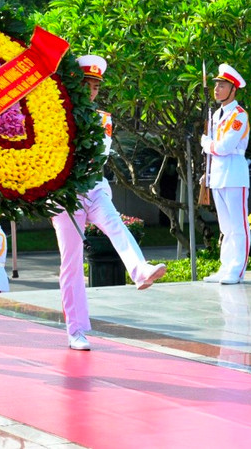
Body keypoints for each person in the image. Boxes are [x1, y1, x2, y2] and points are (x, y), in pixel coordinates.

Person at [51, 55, 166, 351]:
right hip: (66, 193)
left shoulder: (103, 118)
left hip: (94, 186)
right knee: (71, 263)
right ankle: (75, 329)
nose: (91, 91)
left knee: (115, 224)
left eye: (95, 87)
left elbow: (95, 154)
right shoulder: (56, 113)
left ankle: (139, 270)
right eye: (86, 85)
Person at [201, 63, 250, 285]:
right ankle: (226, 266)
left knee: (239, 225)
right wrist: (207, 173)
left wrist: (207, 143)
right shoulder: (215, 115)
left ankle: (237, 269)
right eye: (217, 85)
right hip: (218, 175)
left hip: (235, 174)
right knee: (225, 227)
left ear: (233, 89)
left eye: (223, 85)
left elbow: (224, 147)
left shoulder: (239, 115)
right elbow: (215, 150)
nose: (217, 89)